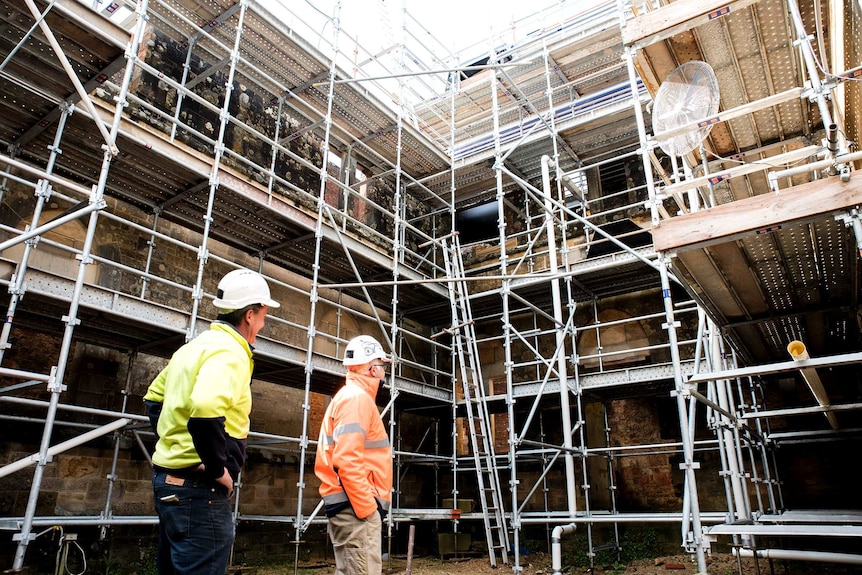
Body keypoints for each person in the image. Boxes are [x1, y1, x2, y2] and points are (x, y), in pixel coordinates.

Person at [143, 268, 279, 575]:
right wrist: (217, 470)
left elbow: (154, 397)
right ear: (249, 315)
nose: (263, 322)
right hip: (199, 491)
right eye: (263, 315)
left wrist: (175, 445)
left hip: (169, 484)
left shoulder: (193, 347)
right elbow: (205, 408)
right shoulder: (231, 351)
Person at [315, 335, 393, 575]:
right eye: (382, 366)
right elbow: (347, 460)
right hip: (356, 510)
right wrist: (367, 509)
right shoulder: (357, 399)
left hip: (352, 507)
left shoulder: (352, 397)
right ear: (372, 368)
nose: (384, 373)